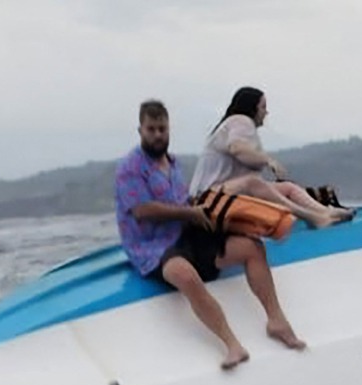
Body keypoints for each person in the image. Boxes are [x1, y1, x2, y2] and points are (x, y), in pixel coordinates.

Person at [115, 99, 305, 370]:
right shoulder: (129, 168)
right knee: (185, 275)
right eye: (152, 129)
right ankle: (232, 345)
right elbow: (143, 211)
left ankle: (276, 320)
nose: (158, 135)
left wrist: (208, 212)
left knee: (251, 247)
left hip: (185, 232)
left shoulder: (173, 162)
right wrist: (189, 214)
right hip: (152, 246)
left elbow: (183, 200)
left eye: (162, 129)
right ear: (140, 130)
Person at [188, 87, 352, 229]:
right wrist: (268, 160)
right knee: (253, 183)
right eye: (263, 107)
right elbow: (236, 148)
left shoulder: (238, 126)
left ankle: (325, 212)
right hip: (205, 199)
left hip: (223, 192)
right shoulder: (241, 120)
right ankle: (312, 217)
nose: (266, 112)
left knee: (288, 188)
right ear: (252, 109)